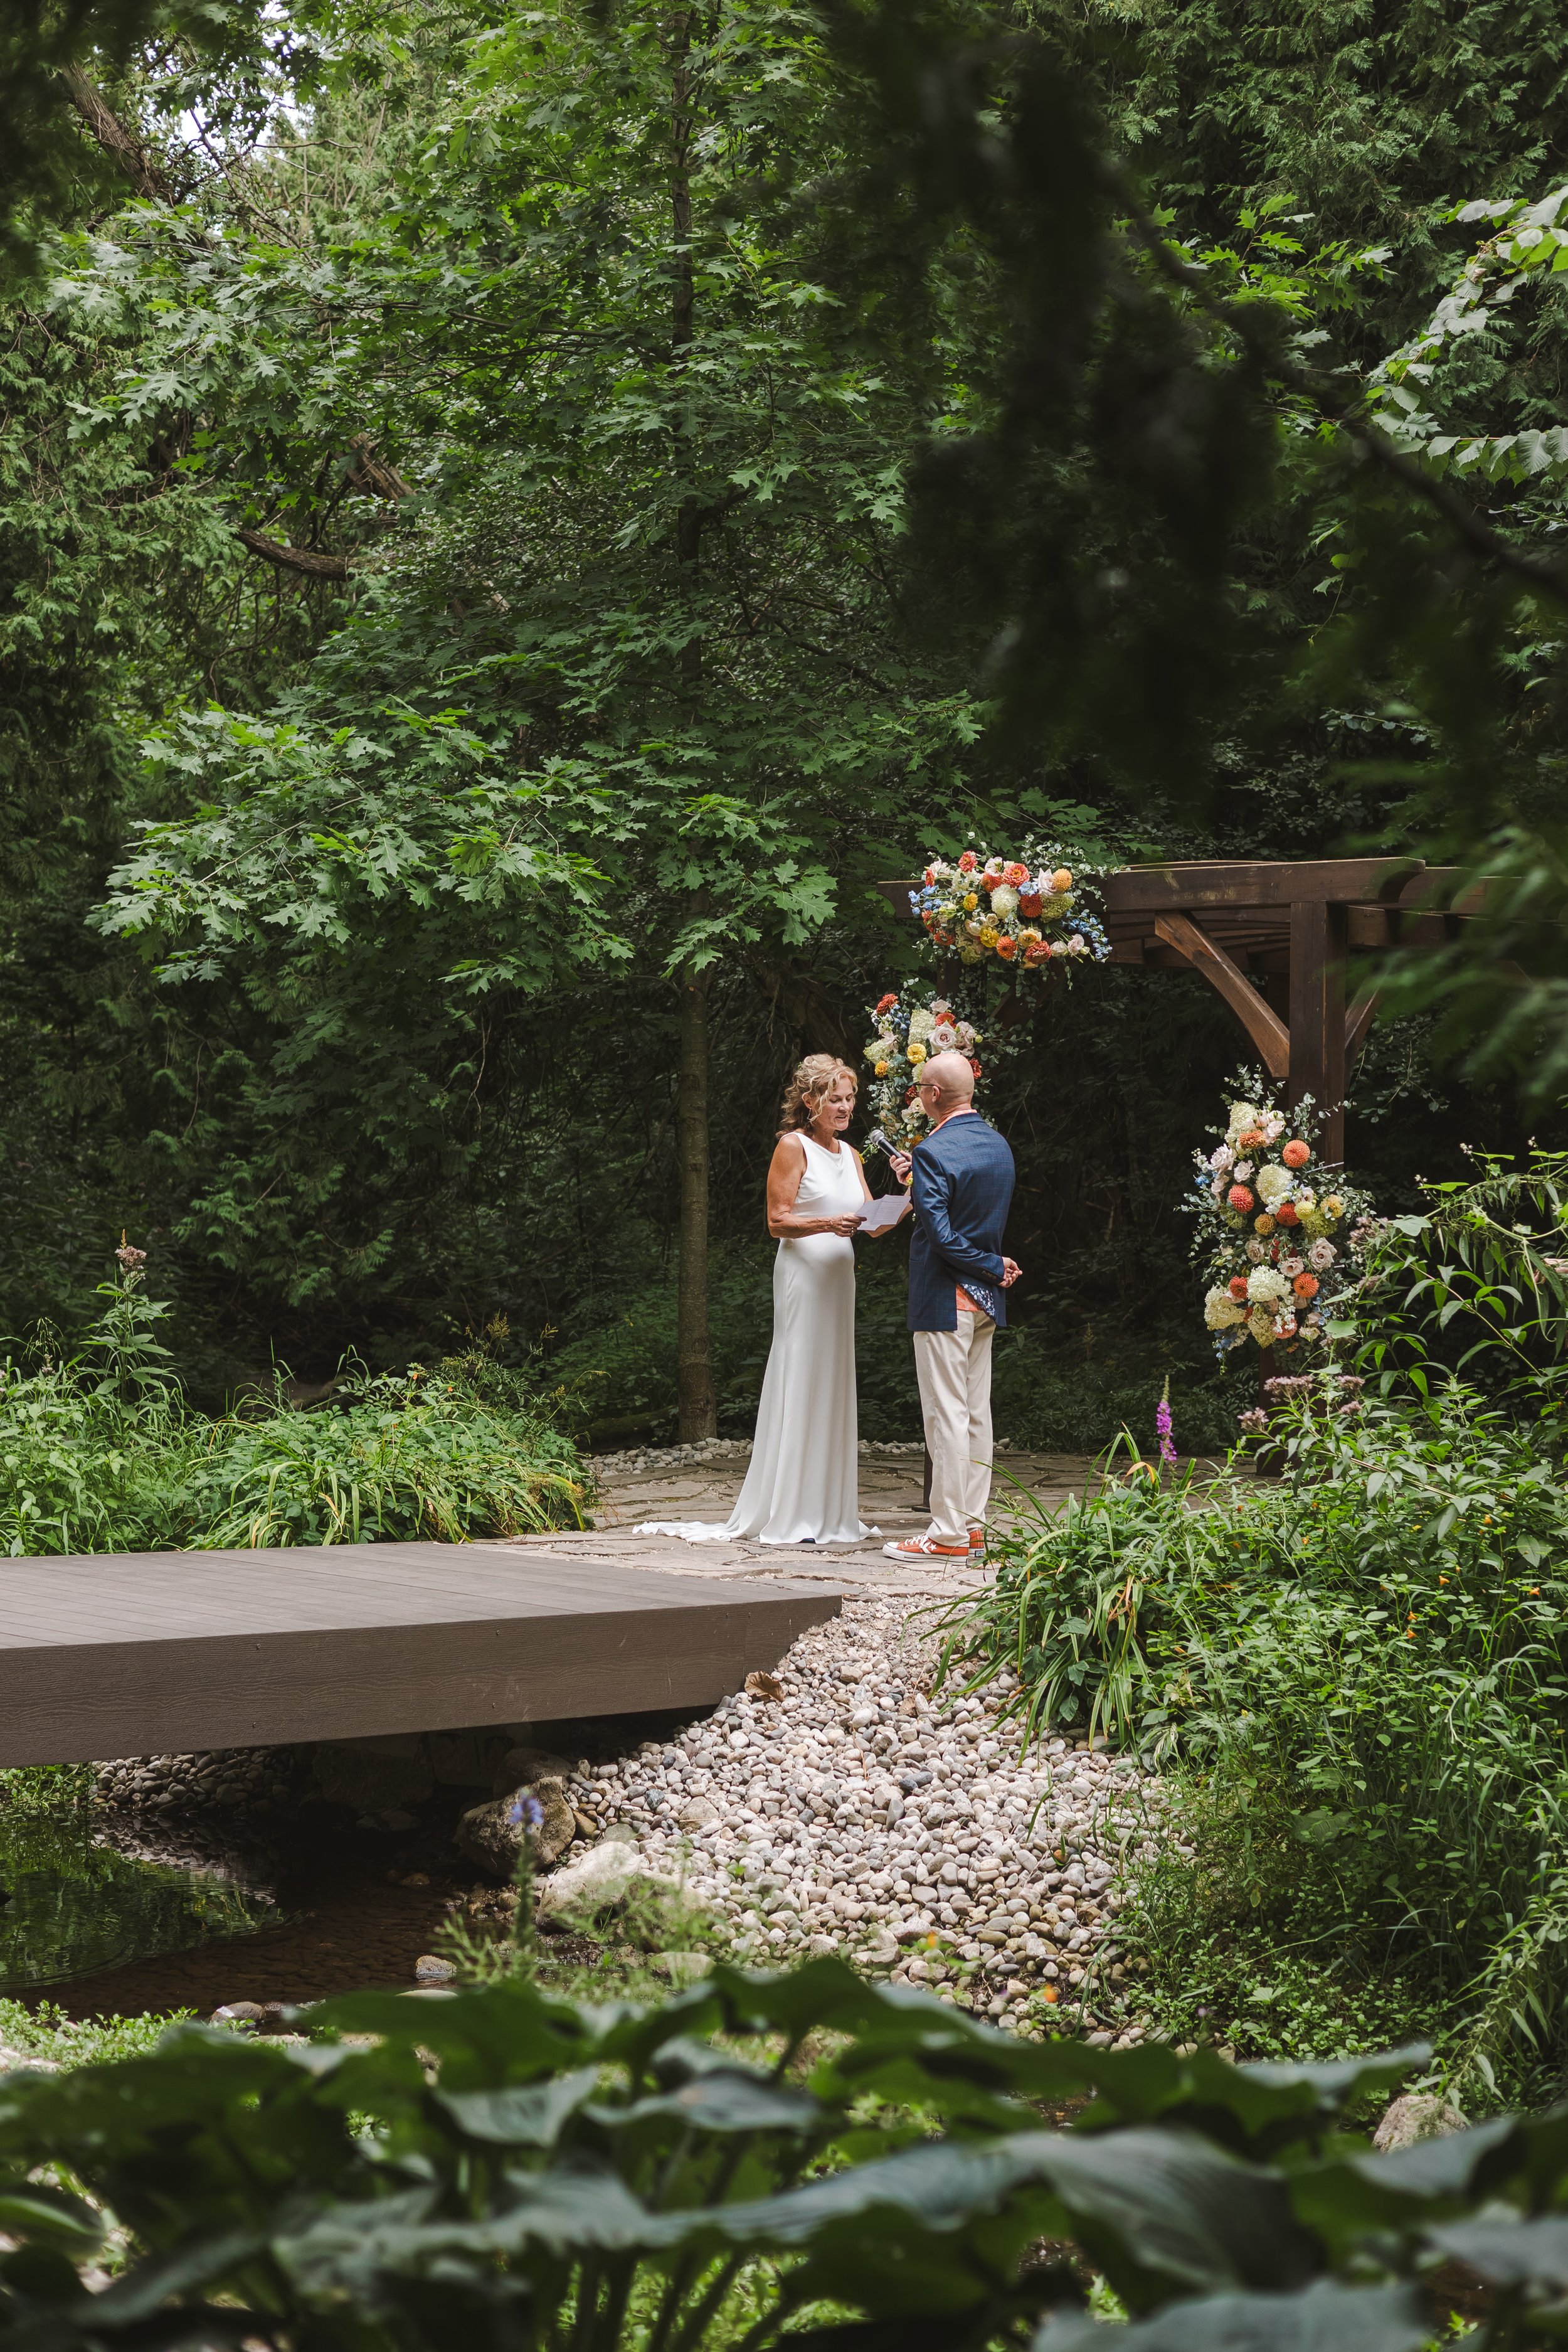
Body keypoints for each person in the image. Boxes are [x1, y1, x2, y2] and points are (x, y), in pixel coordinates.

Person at [636, 1053, 896, 1545]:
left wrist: (901, 1191)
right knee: (801, 1376)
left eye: (850, 1098)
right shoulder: (791, 1147)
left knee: (834, 1382)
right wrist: (827, 1223)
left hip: (840, 1286)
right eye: (835, 1099)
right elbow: (777, 1220)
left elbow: (874, 1223)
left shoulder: (853, 1155)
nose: (845, 1107)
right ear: (809, 1101)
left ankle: (829, 1510)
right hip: (803, 1281)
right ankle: (792, 1508)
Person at [882, 1050, 1019, 1561]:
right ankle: (975, 1526)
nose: (918, 1094)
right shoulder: (998, 1144)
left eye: (920, 1087)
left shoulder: (933, 1151)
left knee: (946, 1417)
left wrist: (988, 1263)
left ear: (934, 1094)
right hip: (986, 1302)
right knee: (977, 1414)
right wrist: (994, 1268)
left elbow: (941, 1235)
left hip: (946, 1297)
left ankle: (945, 1534)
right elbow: (970, 1212)